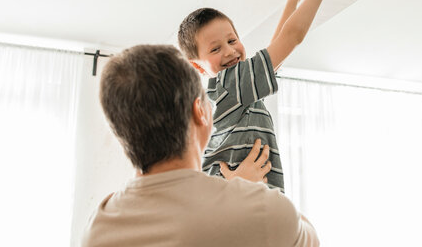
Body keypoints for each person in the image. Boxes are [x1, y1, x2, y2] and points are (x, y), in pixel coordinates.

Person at [82, 44, 319, 247]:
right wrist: (244, 191)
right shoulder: (264, 210)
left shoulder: (98, 228)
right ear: (200, 112)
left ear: (119, 131)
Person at [178, 0, 337, 192]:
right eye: (215, 49)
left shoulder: (233, 93)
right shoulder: (230, 85)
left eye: (232, 40)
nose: (230, 51)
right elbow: (290, 38)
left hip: (230, 198)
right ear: (199, 67)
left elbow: (275, 52)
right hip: (235, 200)